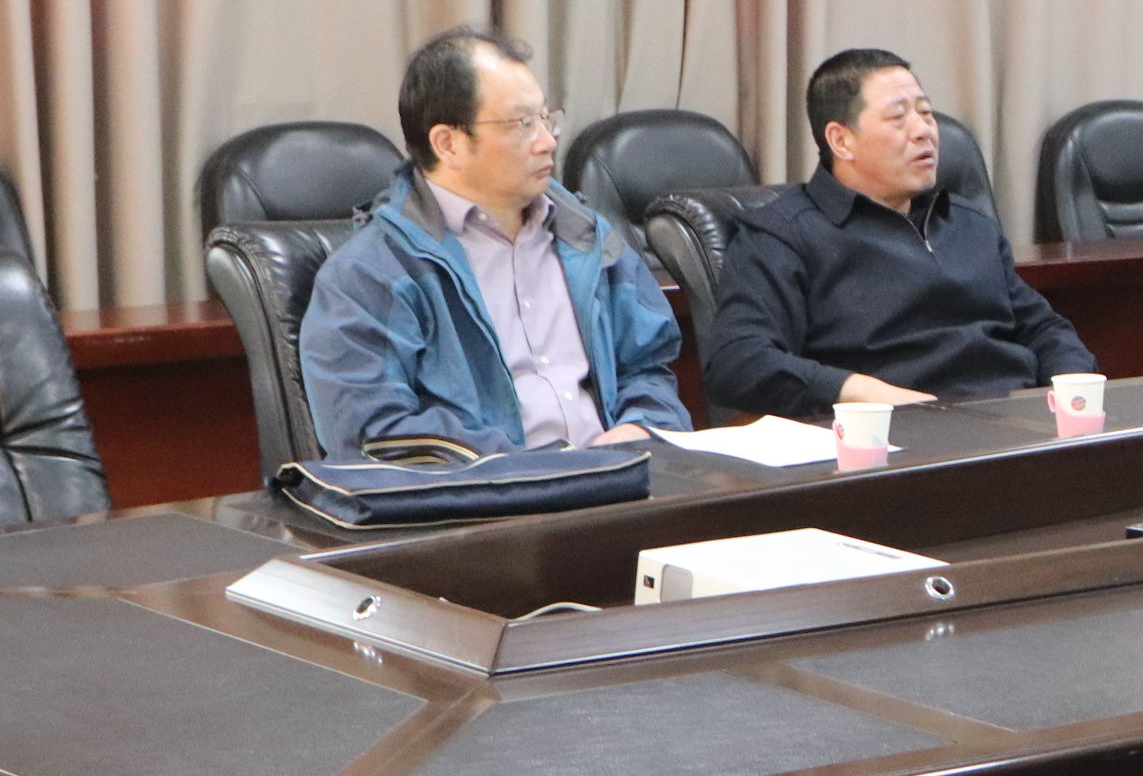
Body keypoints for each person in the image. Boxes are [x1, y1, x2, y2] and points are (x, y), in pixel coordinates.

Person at [301, 26, 688, 458]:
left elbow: (648, 366)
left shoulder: (586, 237)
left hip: (621, 481)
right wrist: (533, 472)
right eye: (522, 124)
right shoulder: (371, 273)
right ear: (448, 144)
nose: (547, 142)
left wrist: (641, 427)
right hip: (485, 495)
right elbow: (374, 431)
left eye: (546, 118)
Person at [705, 48, 1093, 418]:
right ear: (841, 140)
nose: (924, 131)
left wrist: (1073, 385)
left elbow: (1043, 328)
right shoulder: (783, 235)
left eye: (926, 113)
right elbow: (738, 362)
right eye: (898, 118)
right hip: (895, 435)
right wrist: (860, 391)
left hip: (1011, 421)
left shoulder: (968, 222)